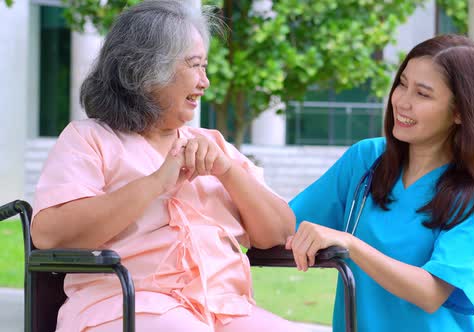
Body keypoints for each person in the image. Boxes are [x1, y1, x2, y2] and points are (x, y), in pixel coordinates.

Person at [30, 1, 301, 331]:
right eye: (195, 66)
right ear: (146, 71)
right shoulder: (90, 139)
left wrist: (228, 171)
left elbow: (281, 232)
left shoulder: (213, 146)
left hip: (224, 311)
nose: (205, 82)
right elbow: (49, 233)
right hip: (123, 307)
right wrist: (157, 182)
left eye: (205, 67)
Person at [286, 34, 474, 332]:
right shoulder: (365, 160)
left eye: (422, 94)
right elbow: (283, 225)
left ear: (459, 112)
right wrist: (229, 170)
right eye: (402, 84)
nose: (401, 101)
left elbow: (431, 293)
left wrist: (349, 243)